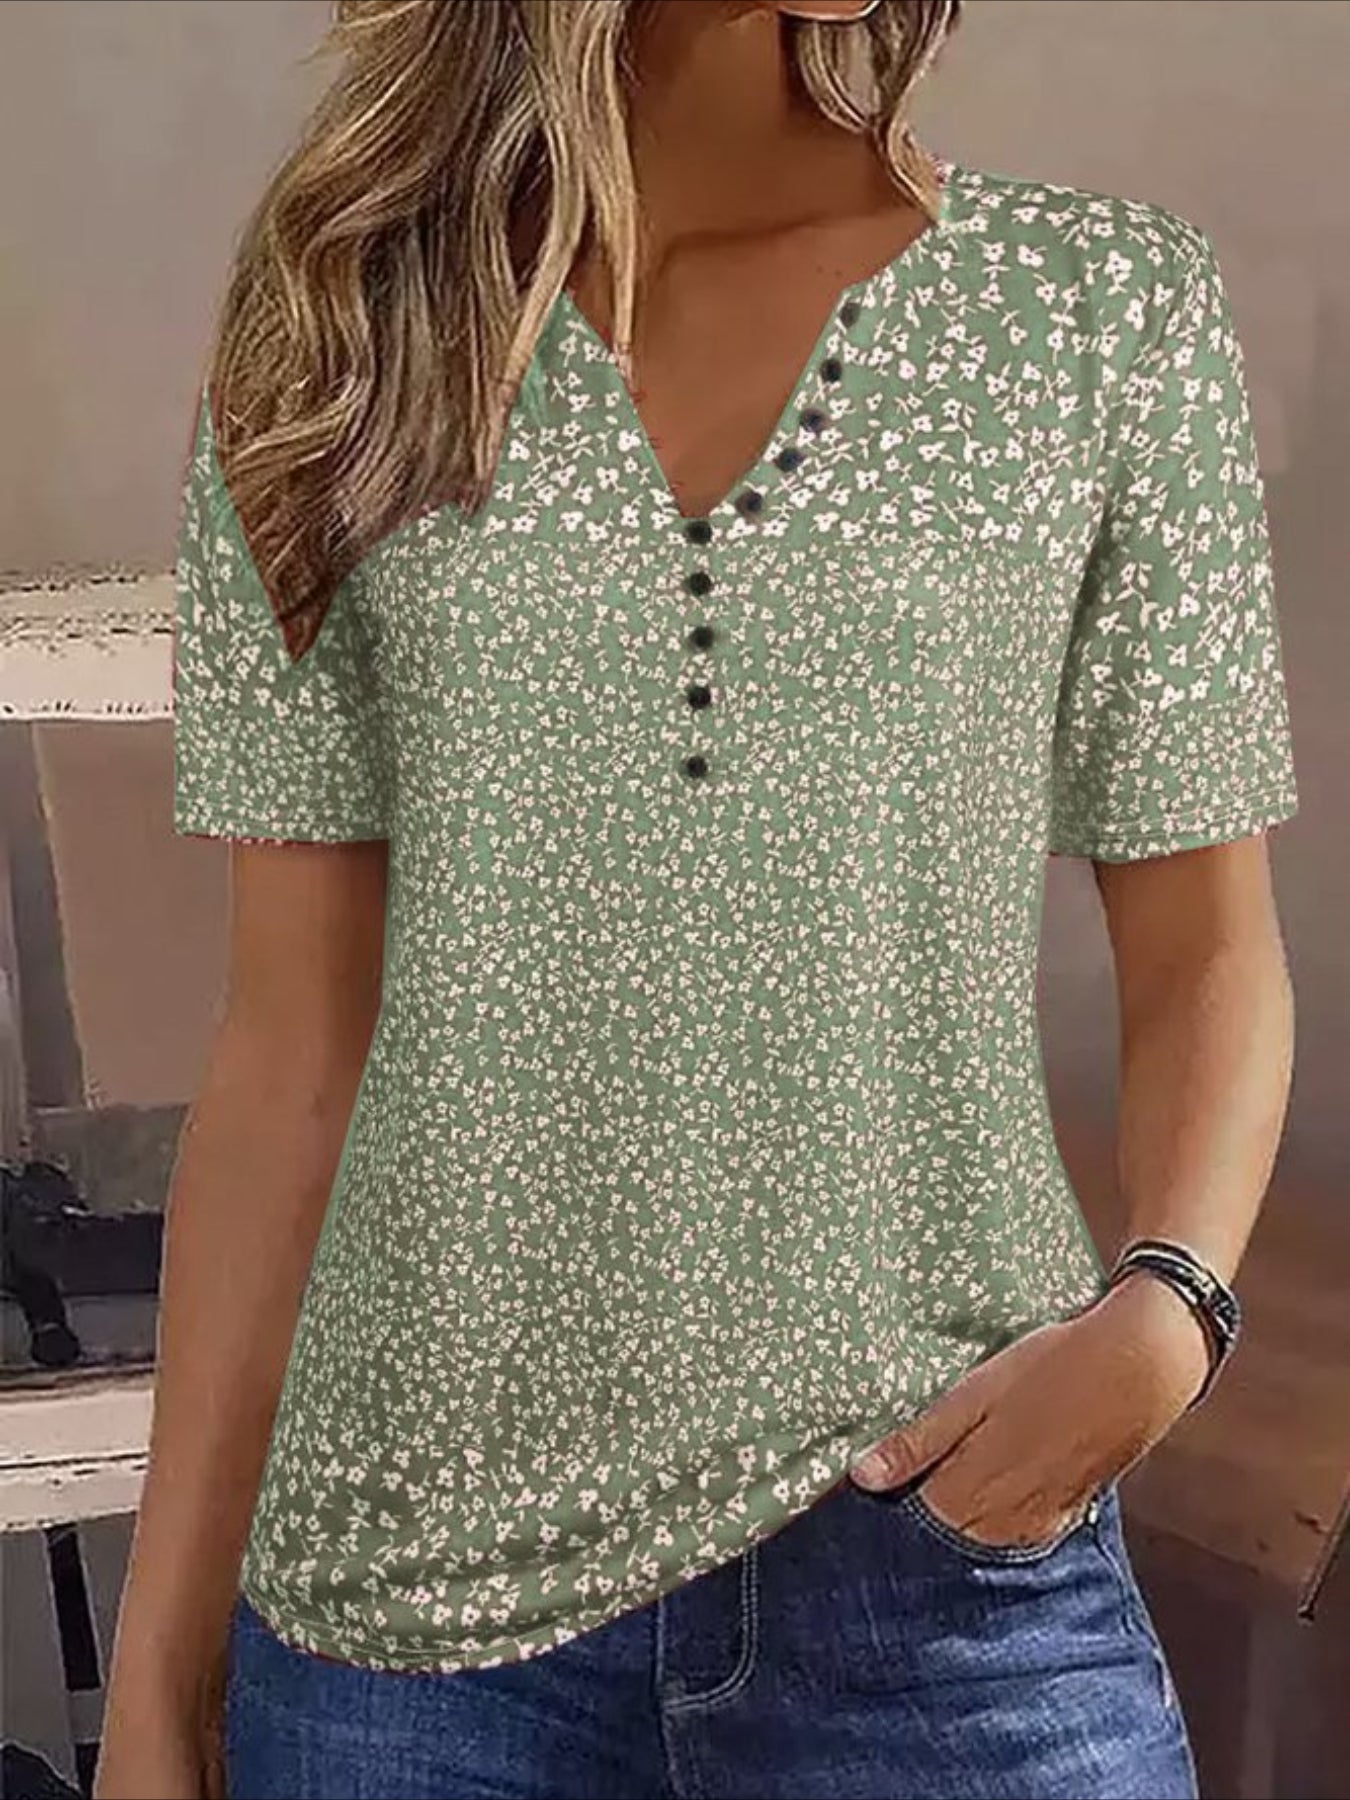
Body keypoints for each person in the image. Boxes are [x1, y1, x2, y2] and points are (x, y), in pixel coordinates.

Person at [96, 0, 1300, 1795]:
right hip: (409, 1619)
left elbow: (1207, 945)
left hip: (941, 1560)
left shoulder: (1098, 310)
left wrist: (1167, 1315)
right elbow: (290, 1049)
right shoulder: (346, 319)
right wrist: (156, 1672)